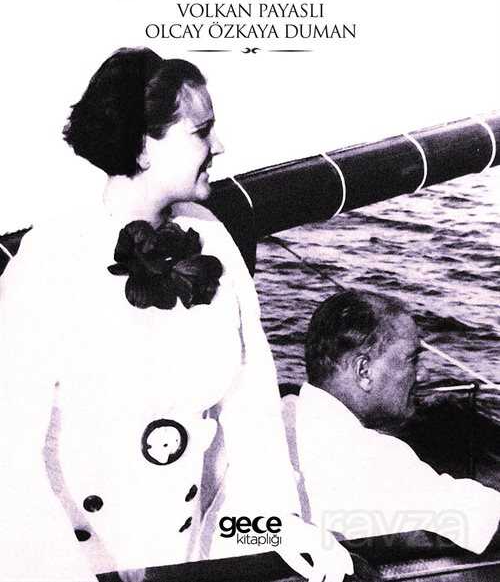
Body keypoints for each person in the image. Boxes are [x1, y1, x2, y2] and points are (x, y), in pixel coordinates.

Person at [0, 48, 353, 582]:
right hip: (72, 560)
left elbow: (250, 414)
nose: (219, 145)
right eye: (202, 131)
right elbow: (9, 461)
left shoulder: (211, 236)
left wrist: (276, 531)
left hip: (181, 558)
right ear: (144, 148)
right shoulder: (51, 258)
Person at [282, 289, 500, 554]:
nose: (423, 374)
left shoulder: (280, 414)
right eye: (412, 360)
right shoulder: (373, 458)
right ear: (364, 371)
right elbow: (489, 522)